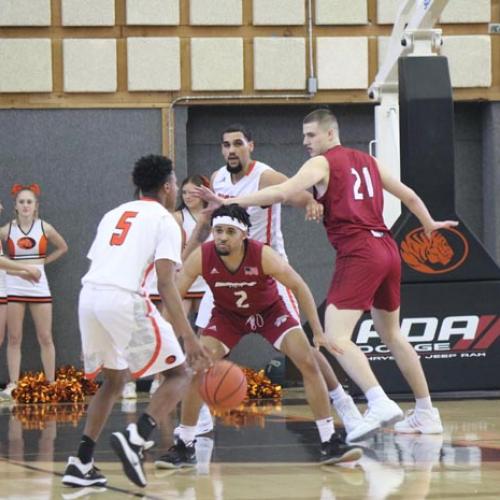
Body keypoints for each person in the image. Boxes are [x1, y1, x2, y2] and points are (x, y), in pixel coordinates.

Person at [198, 109, 457, 442]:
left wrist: (228, 200)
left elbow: (281, 193)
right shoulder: (368, 161)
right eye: (305, 136)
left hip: (359, 251)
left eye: (311, 135)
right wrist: (428, 223)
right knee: (391, 334)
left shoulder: (321, 163)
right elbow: (407, 195)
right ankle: (426, 412)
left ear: (330, 134)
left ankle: (378, 401)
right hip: (387, 248)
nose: (306, 142)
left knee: (334, 338)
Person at [183, 123, 363, 437]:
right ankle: (201, 415)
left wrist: (310, 202)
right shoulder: (218, 178)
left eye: (238, 143)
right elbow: (209, 217)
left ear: (250, 146)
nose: (231, 150)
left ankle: (342, 400)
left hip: (265, 269)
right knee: (203, 345)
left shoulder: (264, 176)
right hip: (225, 271)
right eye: (226, 145)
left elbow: (296, 194)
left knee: (303, 350)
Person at [155, 204, 362, 468]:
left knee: (307, 361)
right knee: (197, 368)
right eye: (218, 230)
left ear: (243, 235)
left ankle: (329, 441)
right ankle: (185, 444)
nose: (222, 236)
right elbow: (175, 294)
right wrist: (162, 331)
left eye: (229, 231)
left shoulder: (263, 255)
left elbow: (299, 286)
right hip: (228, 316)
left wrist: (319, 331)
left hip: (270, 312)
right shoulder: (202, 257)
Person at [61, 155, 210, 489]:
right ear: (168, 187)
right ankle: (137, 435)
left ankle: (81, 462)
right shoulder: (165, 220)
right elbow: (166, 282)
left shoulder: (114, 213)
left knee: (113, 381)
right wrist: (188, 336)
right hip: (123, 300)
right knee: (180, 373)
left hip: (89, 298)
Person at [120, 174, 213, 400]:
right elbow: (180, 251)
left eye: (193, 191)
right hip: (173, 278)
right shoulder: (173, 218)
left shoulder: (212, 215)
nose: (188, 195)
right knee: (163, 330)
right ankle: (149, 380)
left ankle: (199, 377)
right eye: (184, 192)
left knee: (206, 332)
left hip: (204, 279)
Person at [0, 184, 68, 399]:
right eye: (21, 202)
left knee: (45, 336)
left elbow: (63, 247)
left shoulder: (45, 228)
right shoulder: (6, 230)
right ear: (15, 207)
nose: (25, 205)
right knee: (14, 337)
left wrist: (43, 262)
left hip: (38, 283)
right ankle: (13, 384)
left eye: (29, 201)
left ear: (36, 206)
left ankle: (51, 383)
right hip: (14, 283)